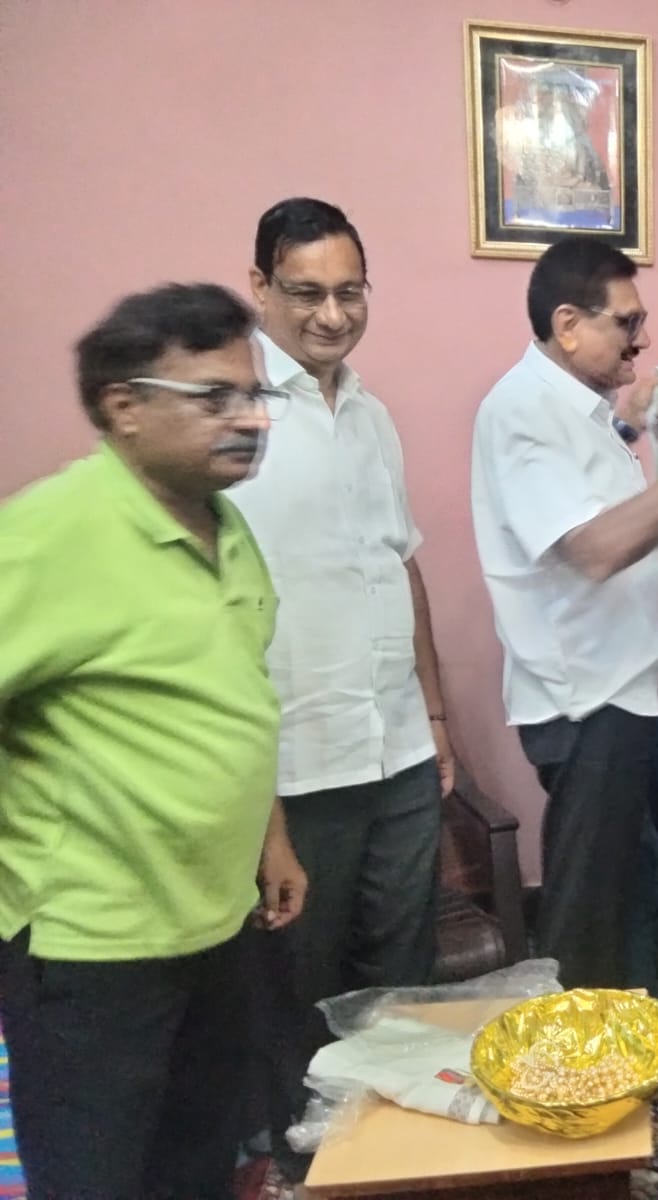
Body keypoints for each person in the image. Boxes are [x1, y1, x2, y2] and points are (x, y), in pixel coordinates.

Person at [0, 283, 304, 1199]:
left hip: (216, 925)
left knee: (196, 1166)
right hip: (93, 948)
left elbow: (233, 696)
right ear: (123, 406)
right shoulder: (50, 536)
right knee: (98, 1178)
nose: (251, 418)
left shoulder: (224, 524)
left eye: (255, 394)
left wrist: (271, 837)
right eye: (215, 398)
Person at [225, 197, 454, 1167]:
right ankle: (307, 1164)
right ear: (260, 288)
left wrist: (436, 715)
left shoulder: (370, 414)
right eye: (306, 292)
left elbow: (401, 565)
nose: (331, 314)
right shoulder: (231, 414)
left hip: (395, 747)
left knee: (400, 976)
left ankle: (389, 1156)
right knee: (299, 985)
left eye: (349, 292)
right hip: (296, 759)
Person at [471, 236, 658, 988]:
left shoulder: (576, 410)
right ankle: (572, 1048)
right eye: (627, 322)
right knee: (586, 916)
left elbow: (587, 496)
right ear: (568, 325)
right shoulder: (524, 409)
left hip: (619, 690)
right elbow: (594, 549)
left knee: (630, 892)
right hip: (585, 699)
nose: (642, 338)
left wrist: (634, 428)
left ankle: (628, 1032)